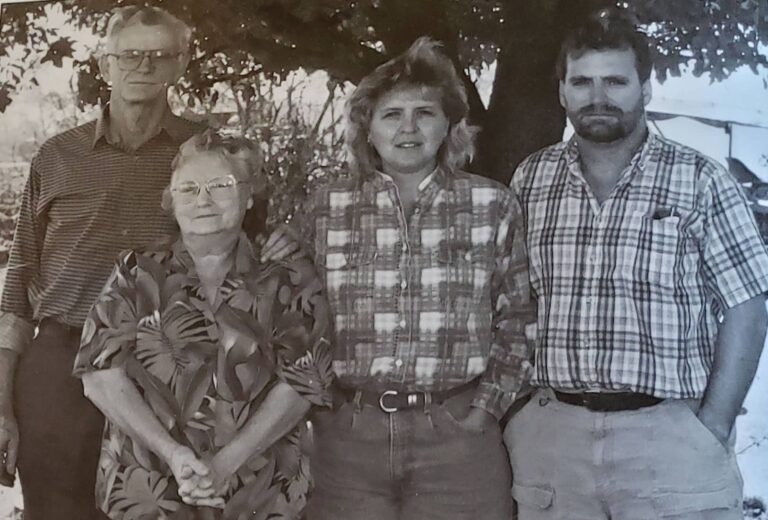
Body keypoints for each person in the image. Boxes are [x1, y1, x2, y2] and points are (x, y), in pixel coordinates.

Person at [506, 9, 768, 520]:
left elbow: (747, 305)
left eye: (615, 81)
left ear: (645, 89)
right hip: (553, 438)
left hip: (669, 440)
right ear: (562, 92)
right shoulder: (531, 181)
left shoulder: (701, 180)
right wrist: (519, 412)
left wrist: (710, 423)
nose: (597, 97)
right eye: (581, 82)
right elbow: (511, 302)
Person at [265, 37, 532, 520]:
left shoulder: (492, 205)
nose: (408, 128)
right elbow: (294, 317)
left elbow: (518, 316)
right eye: (392, 115)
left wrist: (484, 411)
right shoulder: (324, 208)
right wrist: (322, 405)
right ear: (367, 129)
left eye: (424, 113)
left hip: (457, 436)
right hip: (347, 436)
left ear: (449, 124)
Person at [0, 6, 205, 518]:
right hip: (60, 364)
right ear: (104, 63)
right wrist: (1, 400)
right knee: (55, 509)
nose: (143, 66)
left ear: (181, 65)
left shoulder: (203, 156)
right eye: (129, 54)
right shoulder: (57, 156)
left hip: (166, 365)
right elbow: (18, 283)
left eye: (160, 55)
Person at [72, 130, 333, 520]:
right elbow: (99, 375)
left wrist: (225, 464)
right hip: (150, 490)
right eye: (188, 188)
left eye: (220, 186)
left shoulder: (289, 278)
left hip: (261, 496)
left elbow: (303, 384)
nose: (203, 200)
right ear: (171, 201)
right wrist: (174, 454)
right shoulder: (135, 272)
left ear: (249, 196)